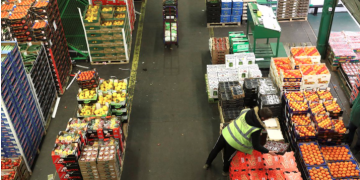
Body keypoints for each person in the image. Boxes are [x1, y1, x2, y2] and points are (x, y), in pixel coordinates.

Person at [203, 106, 276, 176]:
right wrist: (268, 152)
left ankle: (207, 164)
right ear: (263, 118)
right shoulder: (256, 129)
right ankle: (225, 172)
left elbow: (241, 120)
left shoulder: (246, 111)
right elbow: (256, 146)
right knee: (227, 157)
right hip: (234, 142)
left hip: (226, 132)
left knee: (215, 149)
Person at [347, 85, 360, 153]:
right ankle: (348, 143)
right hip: (354, 117)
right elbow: (357, 98)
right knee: (351, 129)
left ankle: (357, 148)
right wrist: (353, 103)